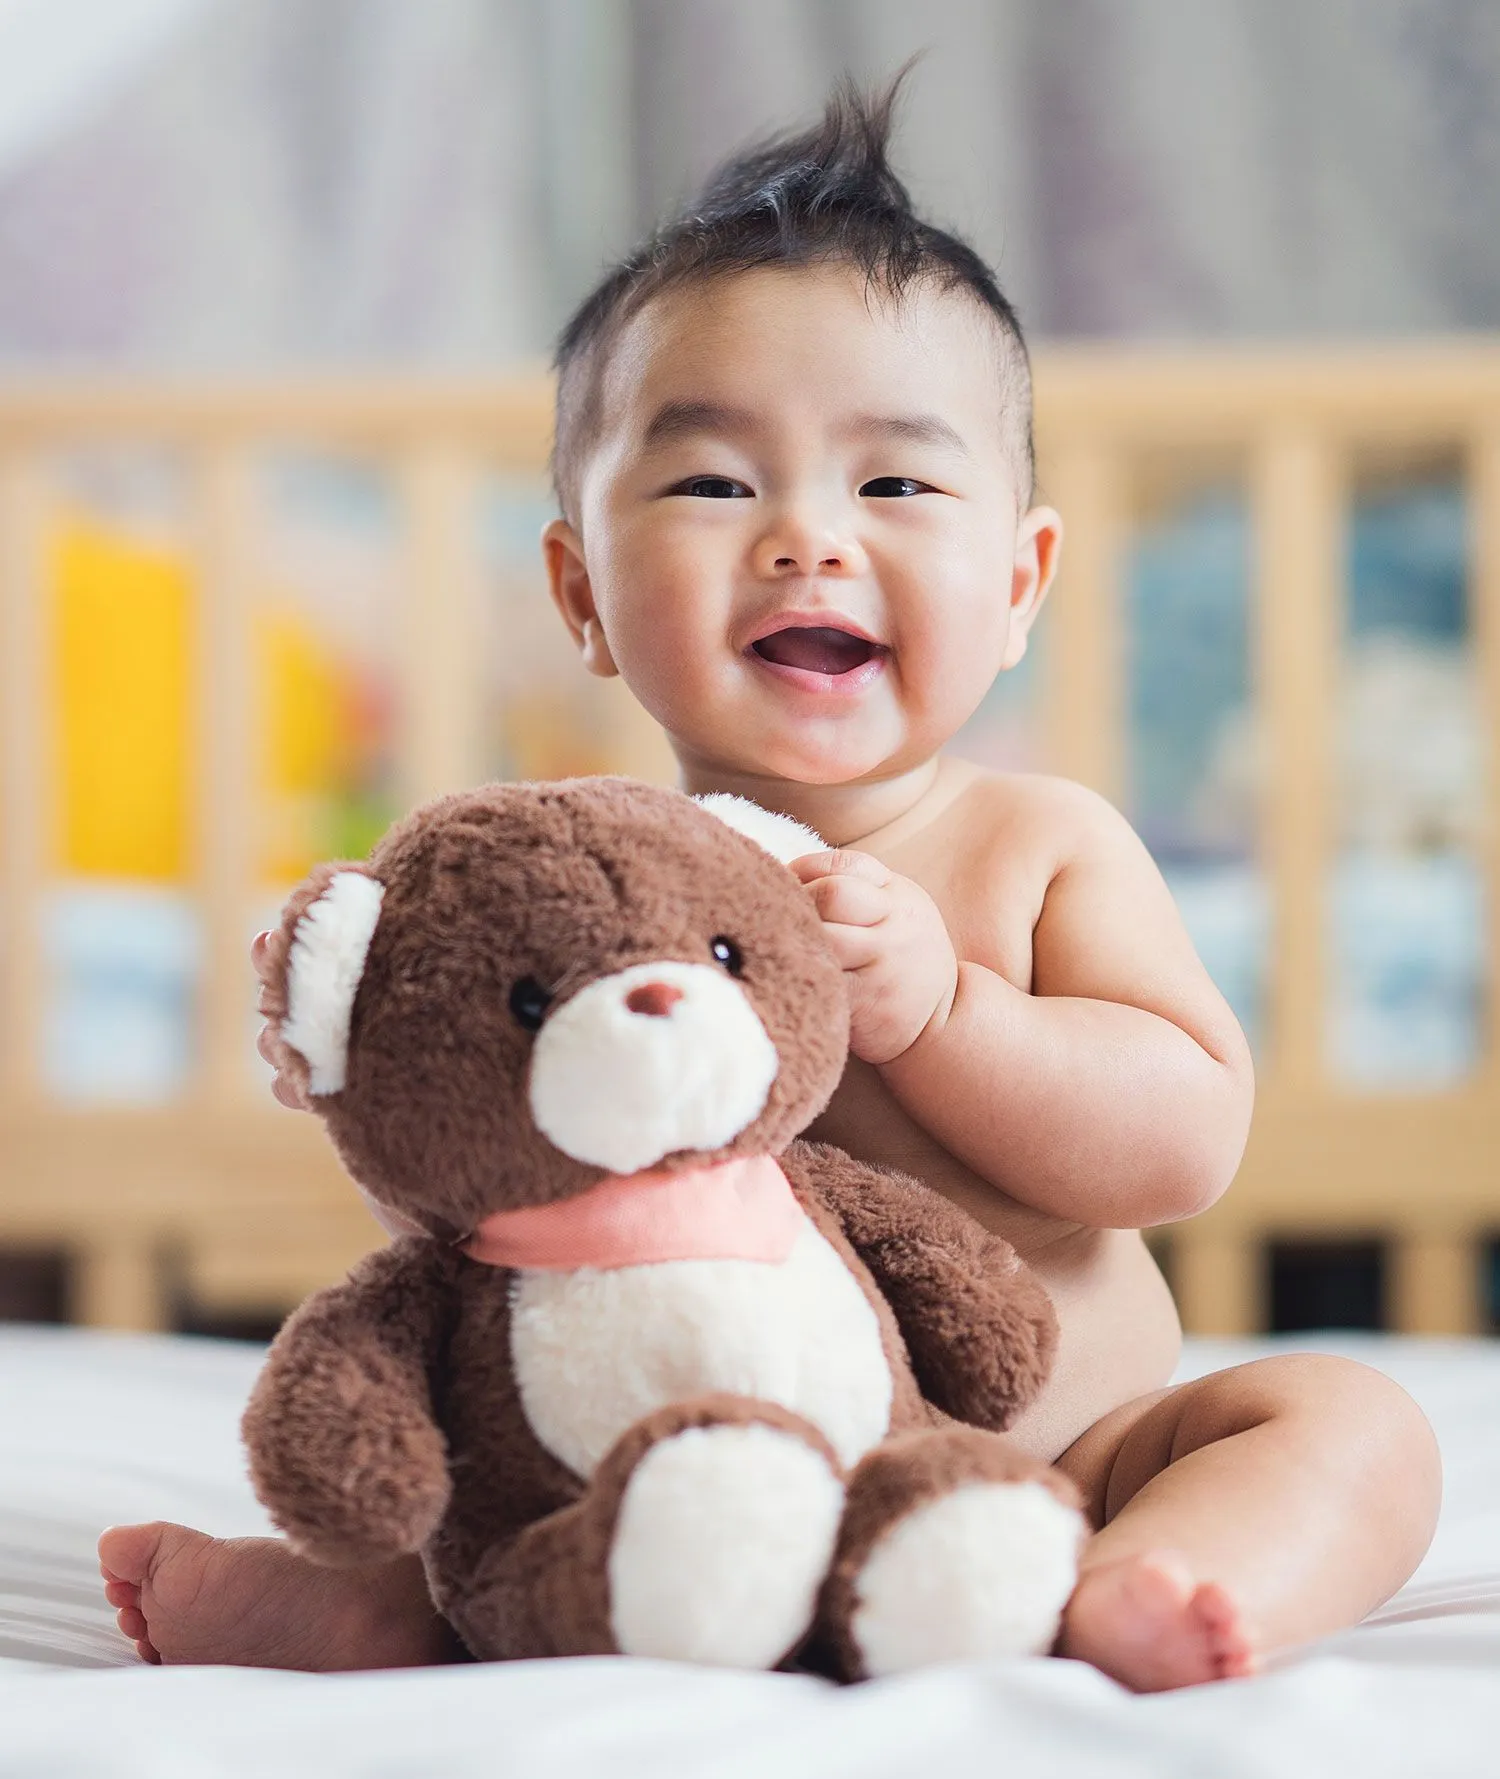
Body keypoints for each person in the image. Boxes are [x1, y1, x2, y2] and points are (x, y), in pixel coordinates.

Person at [98, 74, 1439, 1693]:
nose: (809, 536)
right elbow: (495, 1212)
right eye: (717, 484)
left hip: (1054, 1471)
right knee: (455, 1471)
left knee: (1350, 1424)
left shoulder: (1037, 844)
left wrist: (947, 1015)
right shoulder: (565, 893)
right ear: (581, 591)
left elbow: (1181, 1144)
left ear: (1018, 584)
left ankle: (1146, 1585)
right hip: (663, 1484)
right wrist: (371, 1067)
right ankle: (370, 1607)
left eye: (894, 484)